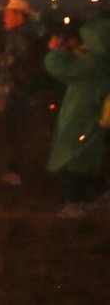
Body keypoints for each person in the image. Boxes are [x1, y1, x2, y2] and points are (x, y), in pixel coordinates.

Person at [0, 0, 47, 184]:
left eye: (8, 14)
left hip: (9, 93)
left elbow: (10, 65)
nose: (5, 17)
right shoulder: (31, 36)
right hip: (25, 95)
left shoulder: (18, 37)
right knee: (15, 133)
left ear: (19, 16)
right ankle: (14, 173)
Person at [43, 16, 110, 217]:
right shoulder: (102, 58)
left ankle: (75, 202)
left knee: (71, 157)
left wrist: (54, 51)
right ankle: (93, 198)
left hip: (81, 114)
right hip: (96, 114)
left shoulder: (94, 61)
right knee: (89, 158)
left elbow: (62, 69)